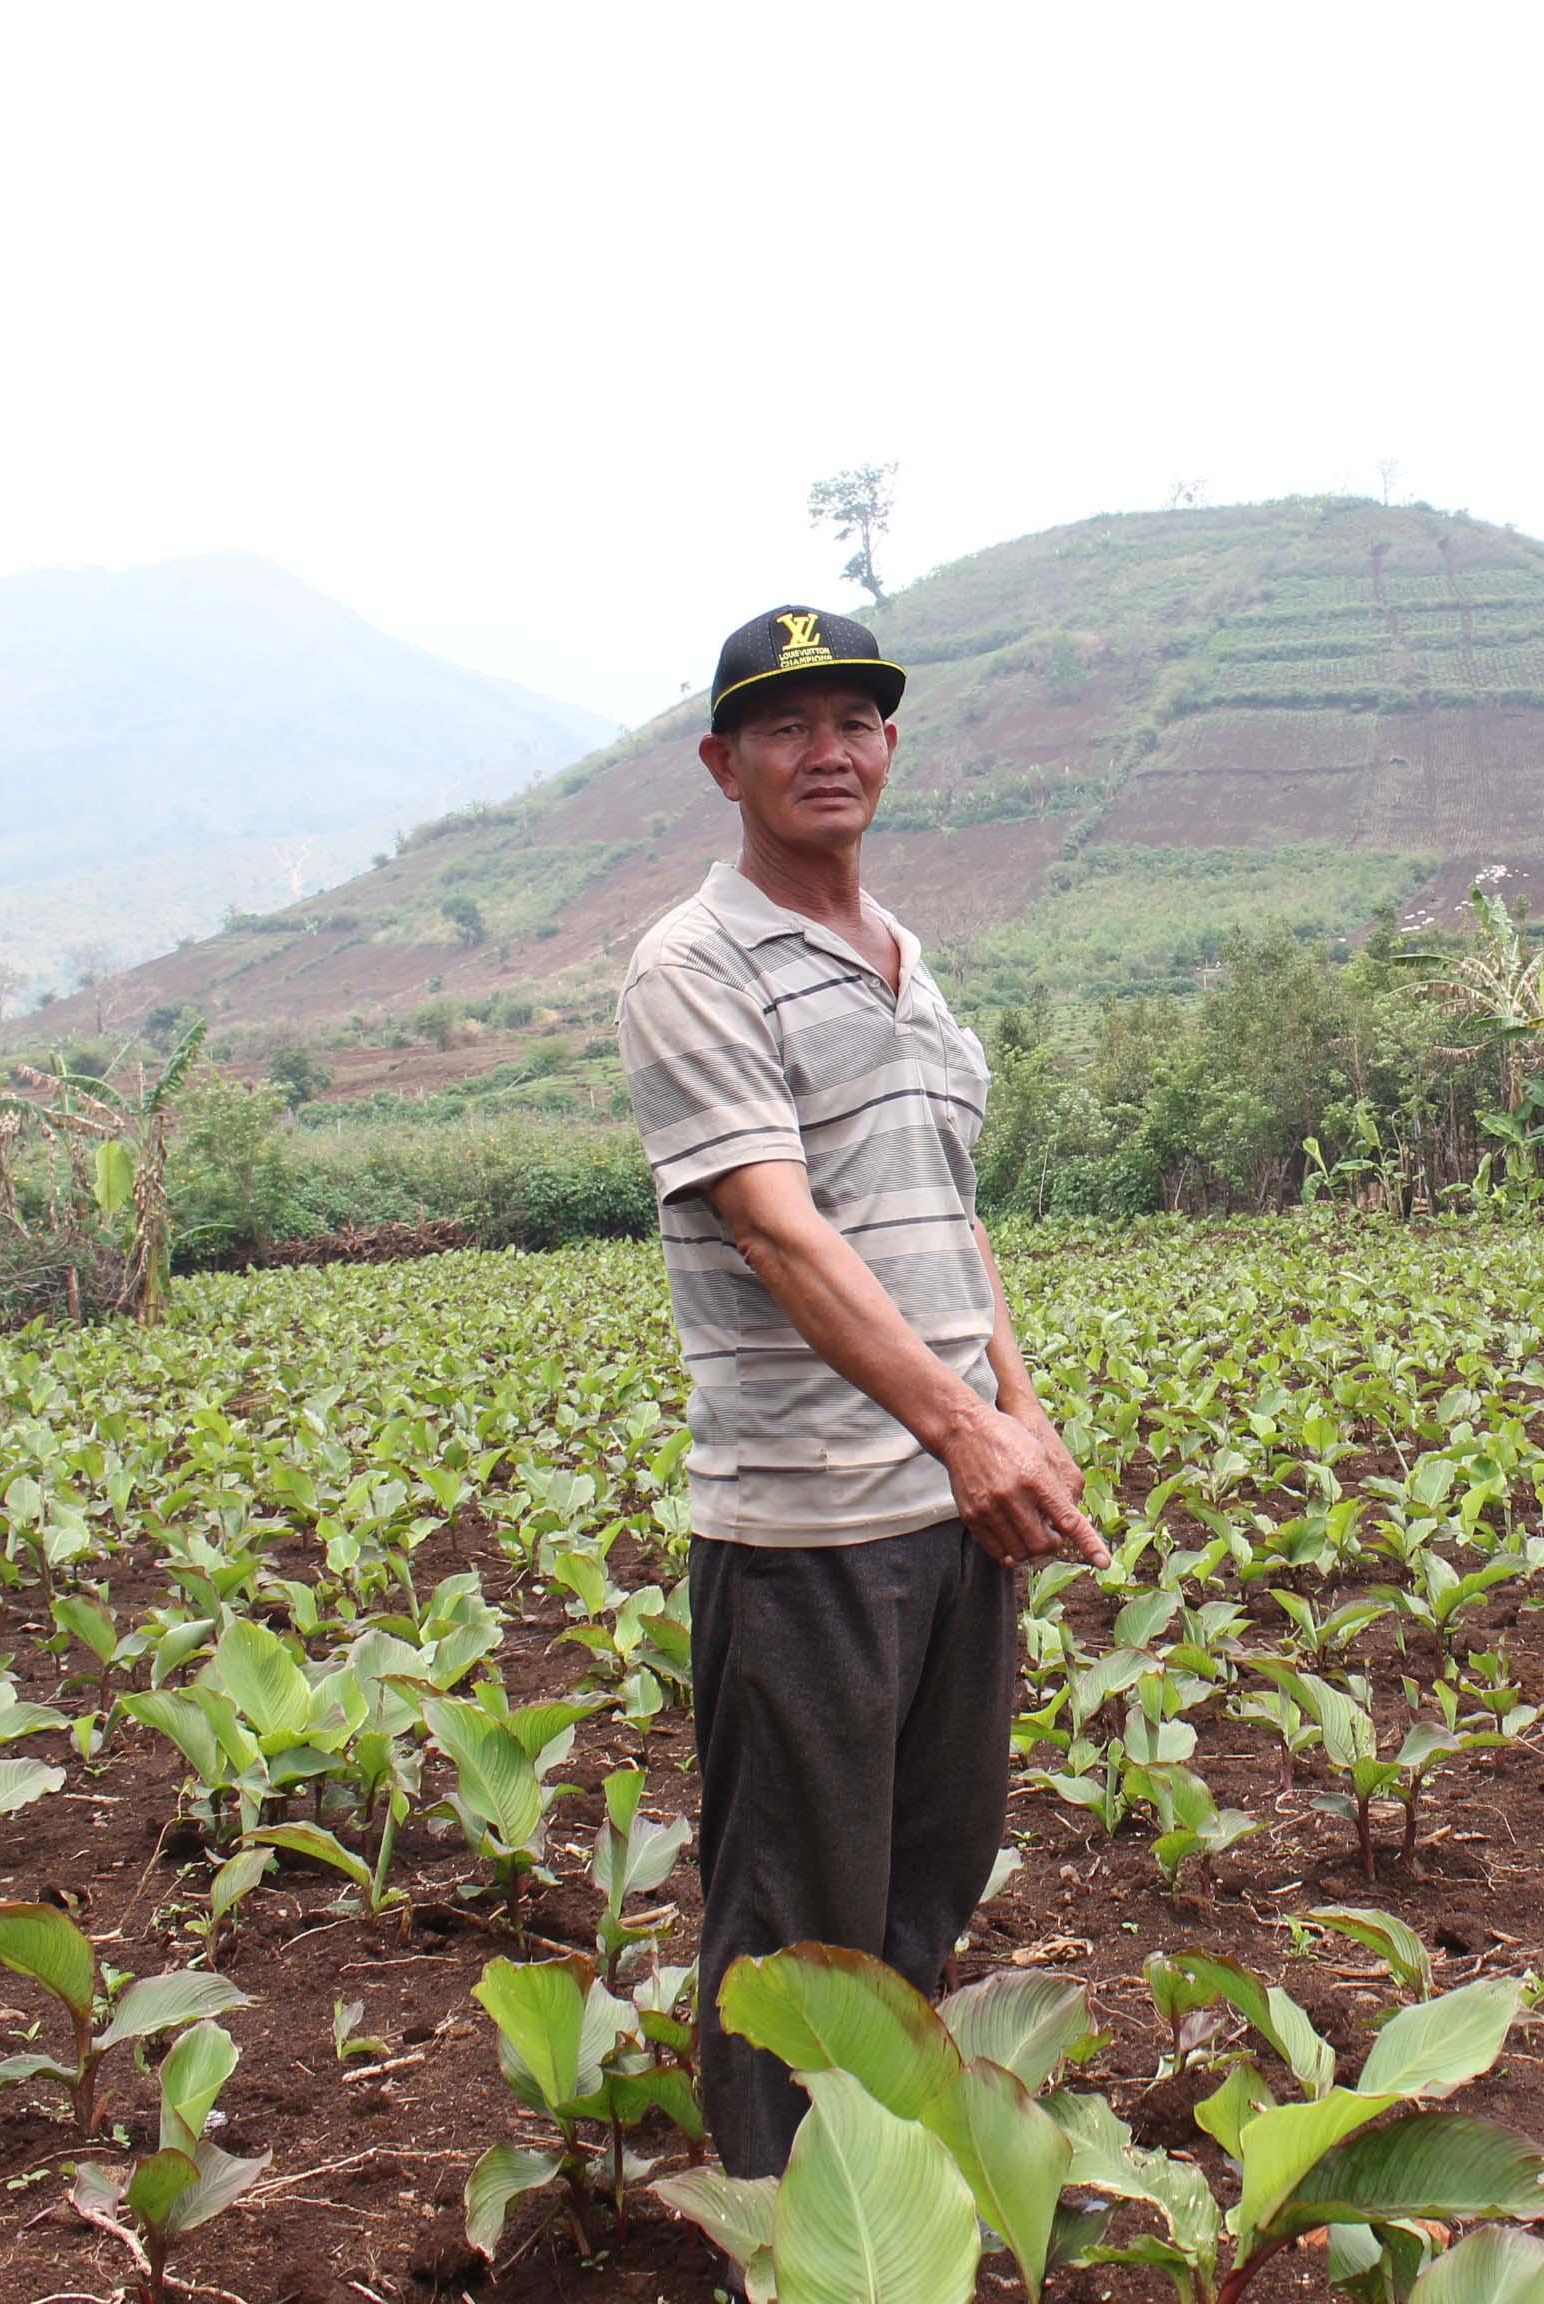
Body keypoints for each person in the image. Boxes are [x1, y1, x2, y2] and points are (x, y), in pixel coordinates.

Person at [614, 603, 1108, 2181]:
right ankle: (786, 2238)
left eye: (854, 721)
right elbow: (777, 1230)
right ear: (725, 764)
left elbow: (950, 1215)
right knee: (796, 1922)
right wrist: (965, 1431)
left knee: (927, 1880)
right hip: (811, 1524)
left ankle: (888, 2198)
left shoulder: (907, 959)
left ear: (889, 747)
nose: (825, 750)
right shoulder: (694, 964)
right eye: (786, 725)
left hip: (953, 1512)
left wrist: (1018, 1417)